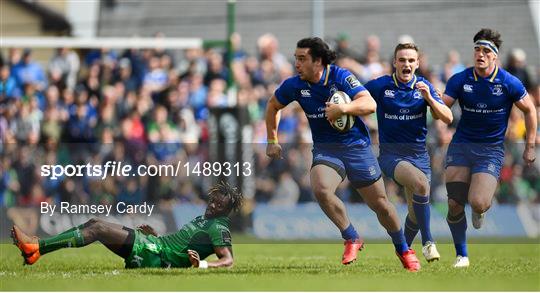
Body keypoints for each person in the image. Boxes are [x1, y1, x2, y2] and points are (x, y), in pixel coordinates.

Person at [265, 37, 420, 271]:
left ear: (318, 62)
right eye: (296, 58)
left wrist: (343, 109)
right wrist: (272, 139)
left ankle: (403, 249)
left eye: (302, 58)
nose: (296, 63)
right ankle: (351, 236)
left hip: (357, 146)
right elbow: (273, 105)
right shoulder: (295, 85)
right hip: (327, 149)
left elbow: (369, 104)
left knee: (381, 205)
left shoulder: (340, 76)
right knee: (320, 188)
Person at [442, 28, 537, 268]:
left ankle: (480, 209)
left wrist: (529, 145)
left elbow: (530, 110)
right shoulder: (460, 79)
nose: (480, 55)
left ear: (495, 56)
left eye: (486, 51)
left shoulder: (508, 82)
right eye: (477, 50)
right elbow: (443, 108)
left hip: (490, 151)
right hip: (461, 147)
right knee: (454, 203)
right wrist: (431, 105)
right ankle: (462, 255)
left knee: (478, 202)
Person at [12, 182, 243, 269]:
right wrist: (158, 234)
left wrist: (202, 265)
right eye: (213, 200)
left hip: (156, 256)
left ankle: (37, 246)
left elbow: (228, 260)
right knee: (95, 222)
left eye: (218, 205)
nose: (212, 206)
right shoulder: (206, 219)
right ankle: (36, 250)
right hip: (155, 244)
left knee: (98, 230)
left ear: (226, 210)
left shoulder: (219, 228)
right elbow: (181, 243)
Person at [364, 43, 453, 262]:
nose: (406, 64)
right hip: (391, 156)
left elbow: (448, 117)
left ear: (417, 64)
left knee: (415, 213)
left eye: (411, 60)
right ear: (394, 63)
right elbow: (357, 95)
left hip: (419, 156)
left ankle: (403, 248)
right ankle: (428, 243)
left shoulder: (425, 87)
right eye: (402, 60)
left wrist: (430, 100)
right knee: (421, 184)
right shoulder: (381, 86)